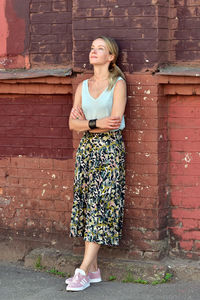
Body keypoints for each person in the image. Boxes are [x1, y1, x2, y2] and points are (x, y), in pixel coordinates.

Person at [66, 36, 127, 292]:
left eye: (100, 48)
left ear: (110, 56)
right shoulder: (82, 86)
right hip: (87, 152)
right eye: (91, 47)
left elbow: (113, 122)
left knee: (100, 207)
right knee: (88, 205)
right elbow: (72, 124)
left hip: (110, 151)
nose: (93, 51)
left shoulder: (119, 84)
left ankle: (81, 271)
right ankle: (94, 271)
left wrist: (89, 124)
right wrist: (95, 123)